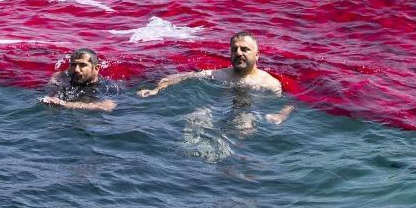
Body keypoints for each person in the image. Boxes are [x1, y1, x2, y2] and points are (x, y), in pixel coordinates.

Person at [137, 32, 293, 124]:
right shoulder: (219, 75)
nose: (238, 53)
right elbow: (184, 76)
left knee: (243, 126)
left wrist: (281, 115)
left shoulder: (269, 83)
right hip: (218, 107)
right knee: (196, 117)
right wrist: (156, 89)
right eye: (234, 49)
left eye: (244, 49)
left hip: (250, 111)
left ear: (257, 55)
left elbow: (290, 102)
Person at [40, 48, 117, 111]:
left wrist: (64, 104)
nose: (76, 69)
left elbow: (108, 106)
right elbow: (50, 91)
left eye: (82, 65)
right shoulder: (61, 76)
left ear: (96, 68)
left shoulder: (107, 86)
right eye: (73, 65)